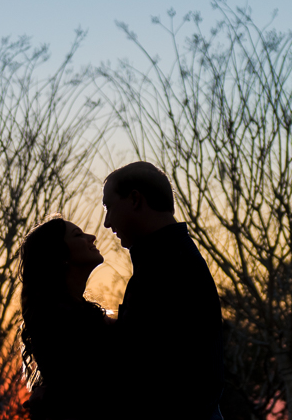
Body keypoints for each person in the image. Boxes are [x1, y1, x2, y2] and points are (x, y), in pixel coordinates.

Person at [103, 161, 224, 420]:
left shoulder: (169, 266)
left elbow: (146, 364)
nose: (106, 222)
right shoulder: (168, 260)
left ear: (135, 199)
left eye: (109, 207)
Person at [19, 215, 115, 420]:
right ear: (59, 254)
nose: (92, 237)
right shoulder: (61, 320)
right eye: (78, 235)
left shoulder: (72, 313)